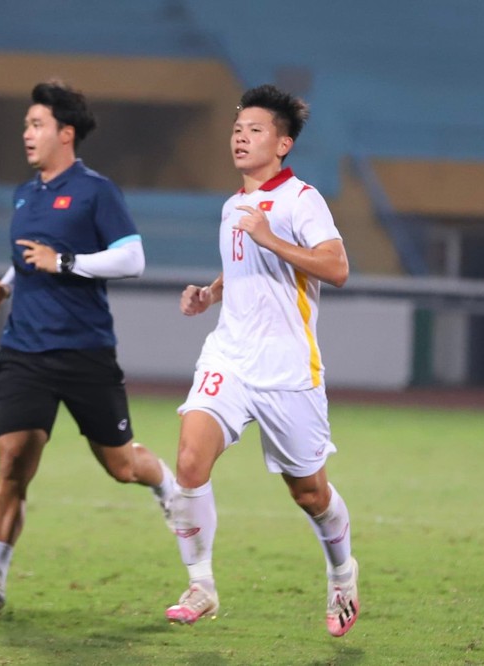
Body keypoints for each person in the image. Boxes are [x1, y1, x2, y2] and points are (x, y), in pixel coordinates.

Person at [0, 80, 176, 611]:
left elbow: (132, 259)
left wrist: (64, 263)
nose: (26, 133)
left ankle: (164, 482)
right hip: (24, 349)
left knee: (121, 466)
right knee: (12, 461)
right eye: (26, 124)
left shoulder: (97, 191)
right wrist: (5, 282)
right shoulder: (25, 193)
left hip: (84, 350)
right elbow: (30, 255)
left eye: (35, 124)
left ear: (65, 134)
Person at [163, 84, 359, 637]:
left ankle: (342, 571)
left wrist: (271, 237)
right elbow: (246, 266)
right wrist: (211, 292)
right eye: (236, 129)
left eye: (254, 130)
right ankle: (200, 584)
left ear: (283, 143)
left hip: (288, 370)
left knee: (310, 493)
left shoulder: (302, 199)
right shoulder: (233, 206)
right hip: (230, 357)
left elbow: (336, 267)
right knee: (189, 461)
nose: (240, 138)